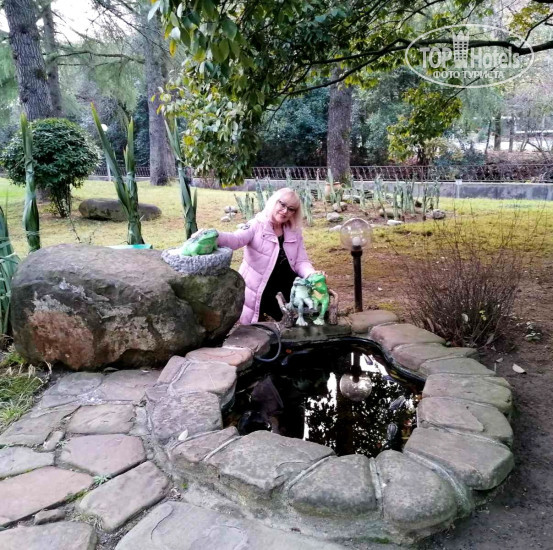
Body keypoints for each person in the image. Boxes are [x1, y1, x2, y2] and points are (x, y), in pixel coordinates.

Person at [217, 187, 319, 324]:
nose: (285, 211)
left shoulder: (294, 231)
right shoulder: (256, 225)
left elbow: (301, 261)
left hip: (287, 290)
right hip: (261, 290)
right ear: (274, 201)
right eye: (282, 205)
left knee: (294, 326)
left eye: (291, 209)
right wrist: (214, 236)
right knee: (259, 331)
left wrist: (311, 274)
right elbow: (235, 239)